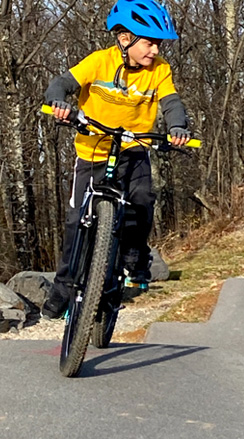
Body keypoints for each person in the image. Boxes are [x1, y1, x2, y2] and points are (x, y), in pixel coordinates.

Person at [42, 0, 190, 319]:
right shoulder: (99, 62)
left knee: (142, 201)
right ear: (125, 39)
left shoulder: (160, 70)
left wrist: (177, 125)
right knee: (75, 221)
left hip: (133, 151)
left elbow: (172, 102)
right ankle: (64, 285)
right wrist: (58, 102)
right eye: (149, 42)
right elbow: (61, 84)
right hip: (92, 152)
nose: (154, 50)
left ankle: (134, 260)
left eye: (158, 43)